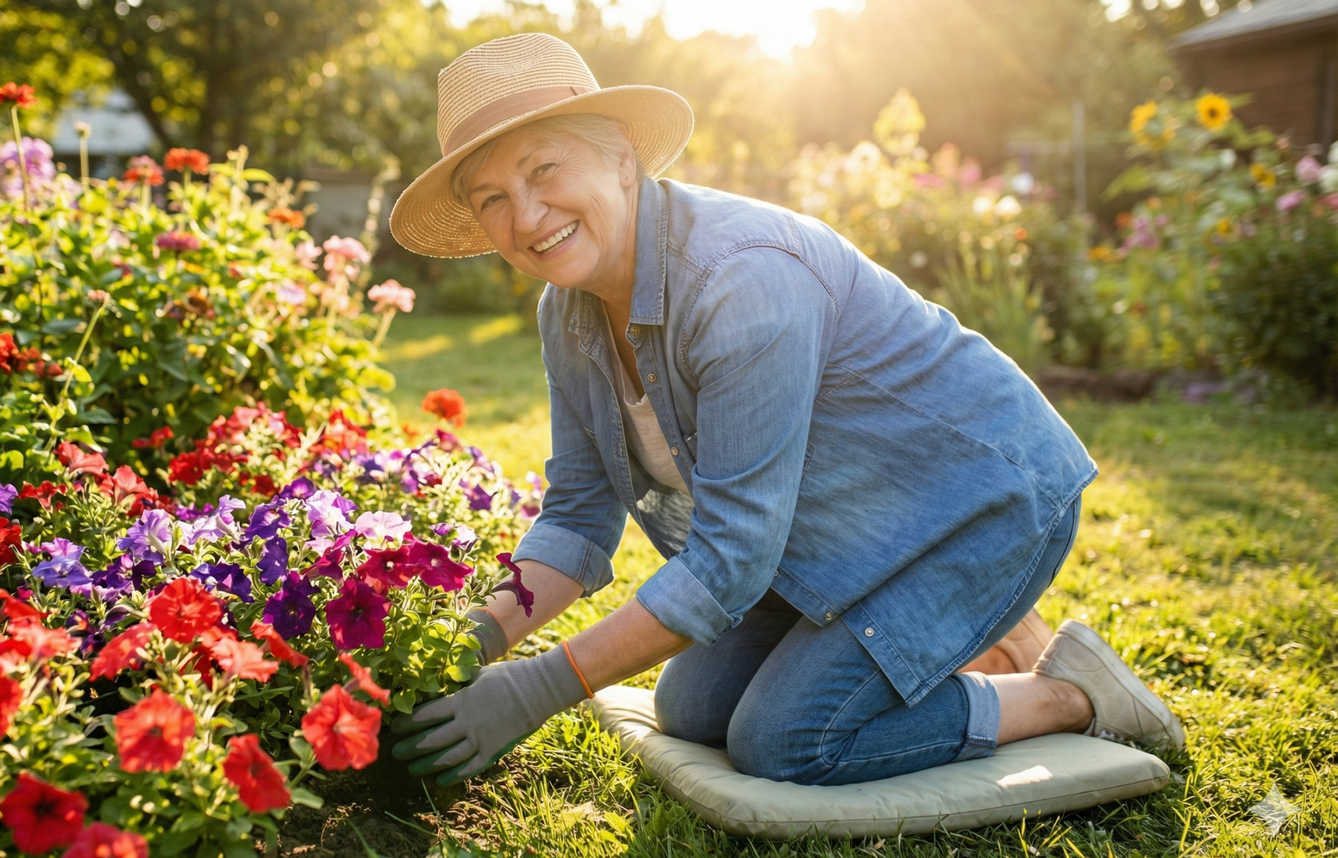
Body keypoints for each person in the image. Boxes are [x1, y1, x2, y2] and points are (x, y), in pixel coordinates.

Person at [387, 33, 1184, 788]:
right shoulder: (566, 314)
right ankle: (960, 644)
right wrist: (469, 641)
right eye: (493, 197)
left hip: (981, 504)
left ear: (621, 160)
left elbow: (730, 559)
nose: (526, 216)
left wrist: (534, 688)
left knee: (786, 739)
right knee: (692, 707)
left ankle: (1069, 691)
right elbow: (574, 518)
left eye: (544, 169)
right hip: (838, 532)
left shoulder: (740, 279)